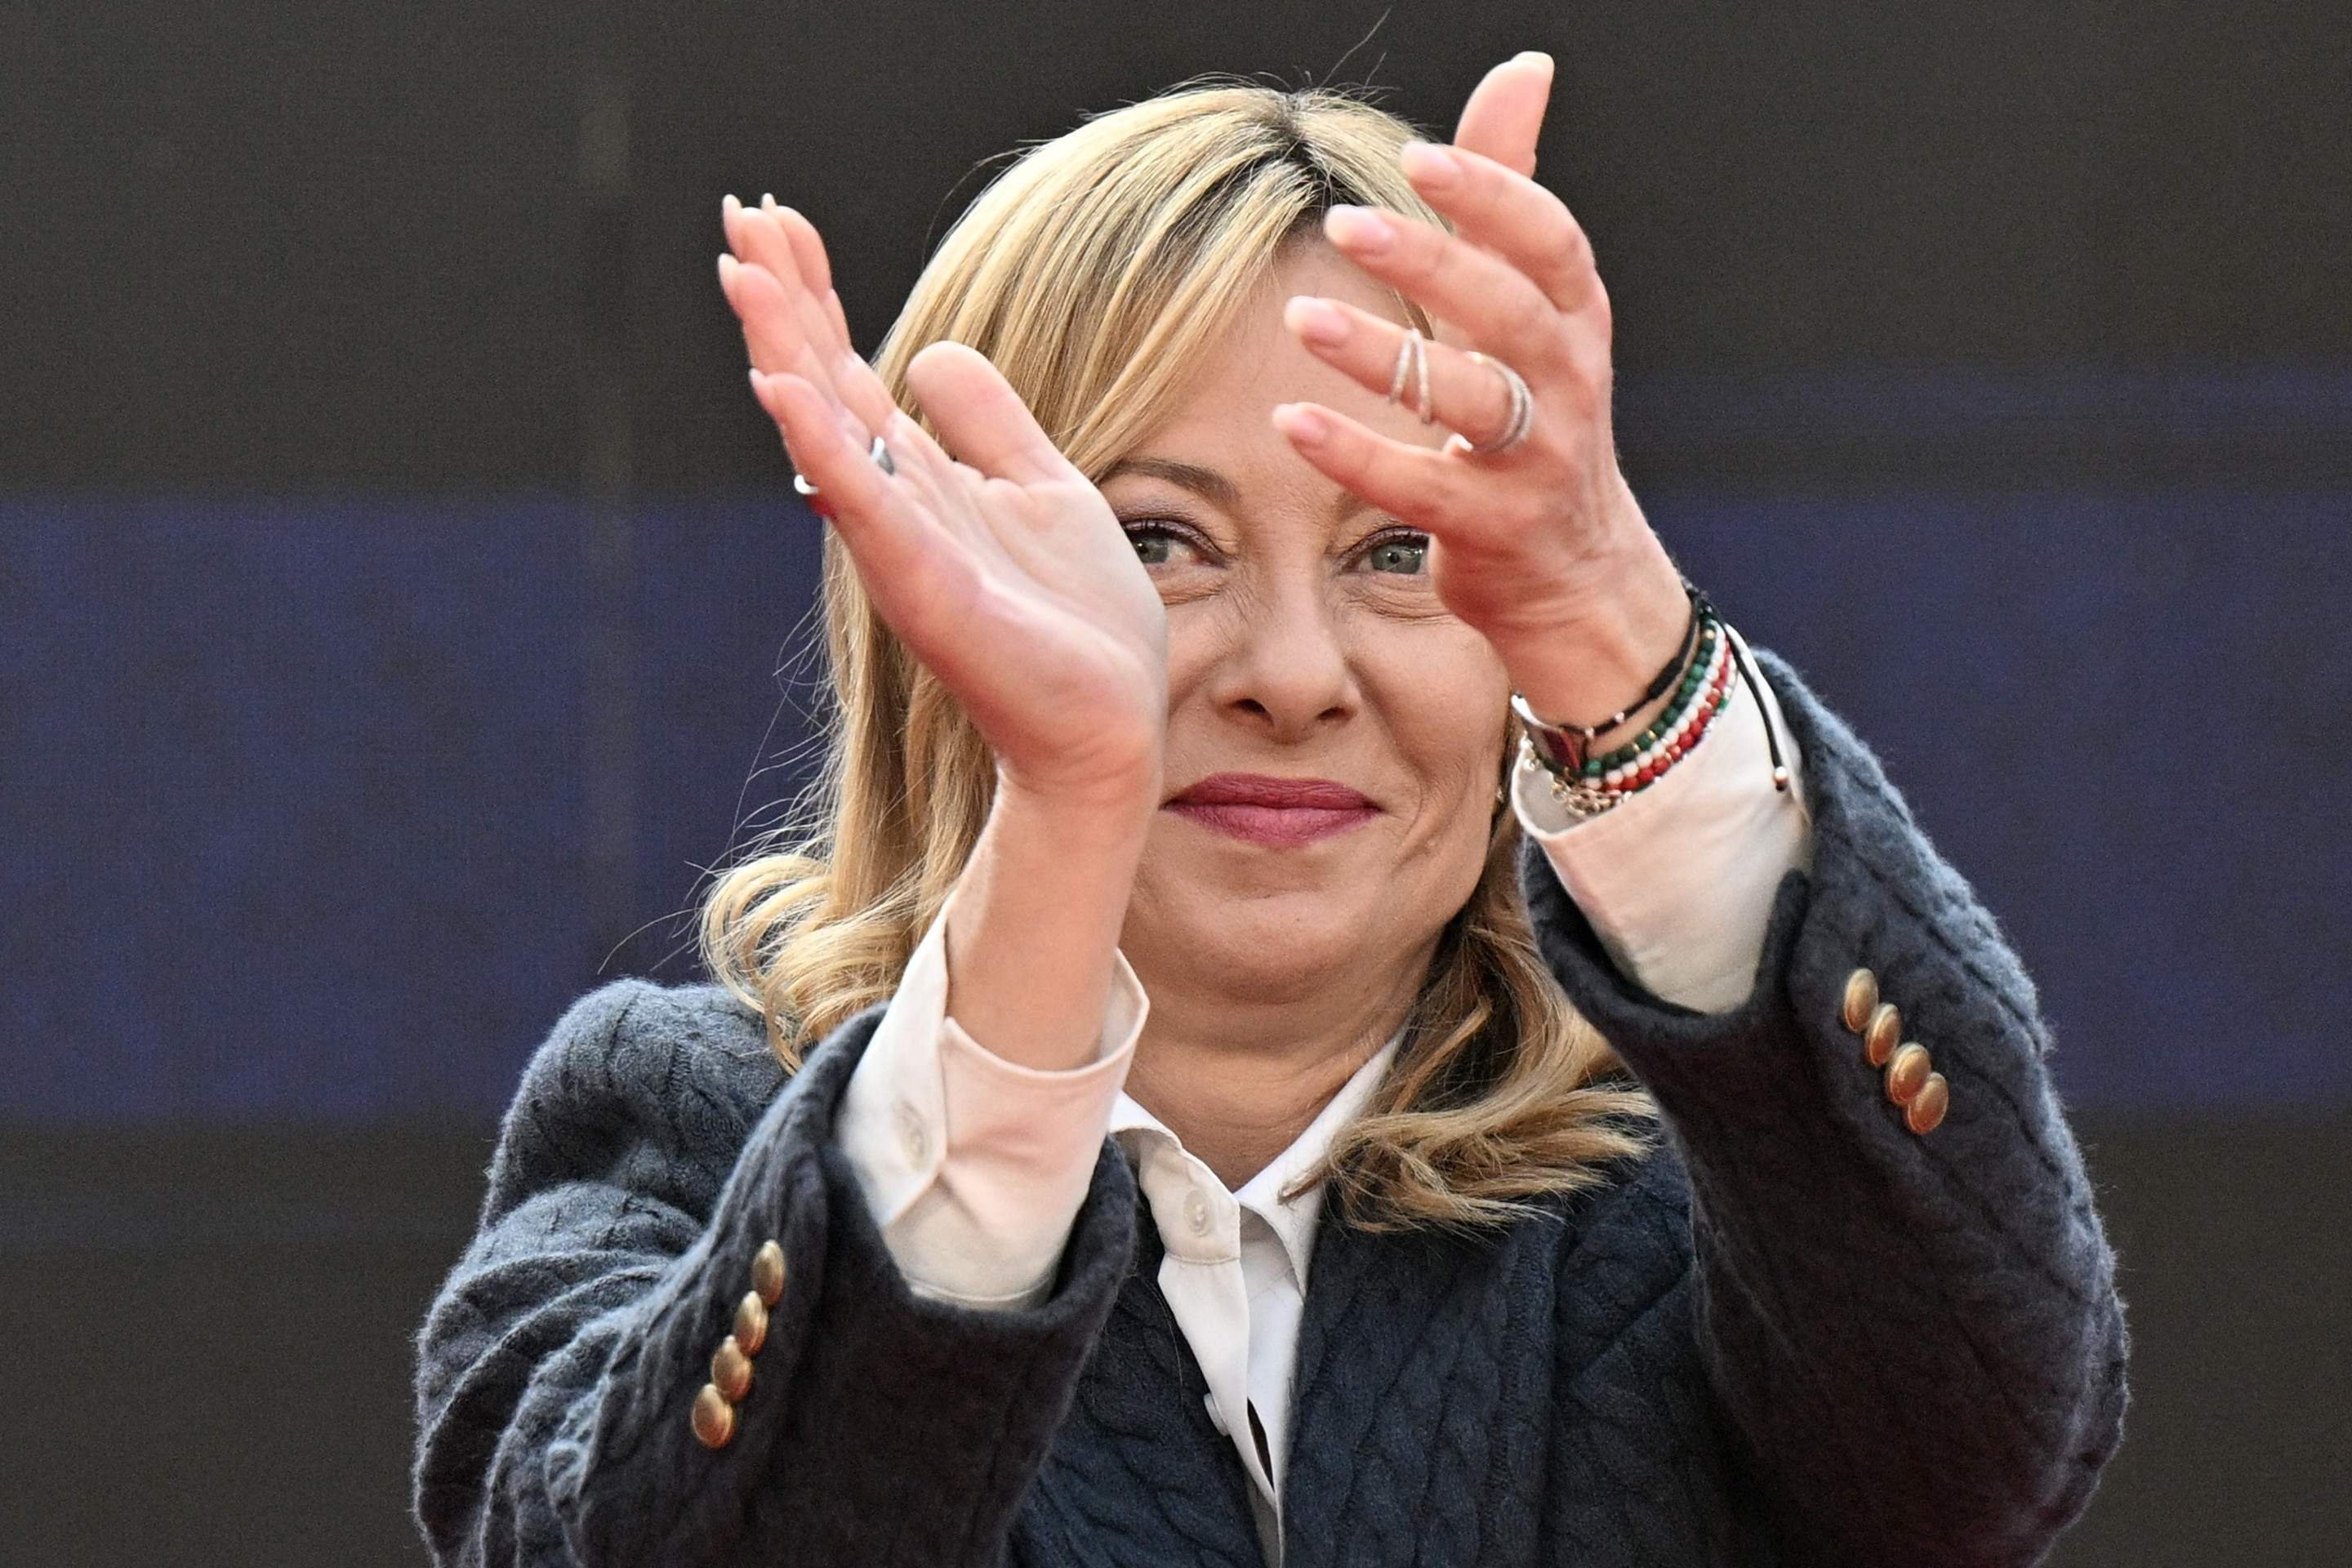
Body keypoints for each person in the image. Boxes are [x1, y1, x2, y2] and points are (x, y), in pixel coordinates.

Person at [412, 52, 2126, 1567]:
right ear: (924, 595)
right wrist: (1073, 806)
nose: (1293, 674)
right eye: (1159, 542)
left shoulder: (1715, 1181)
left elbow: (1967, 1465)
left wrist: (1622, 630)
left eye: (1402, 551)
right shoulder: (679, 1133)